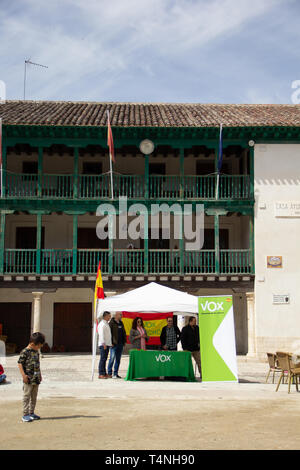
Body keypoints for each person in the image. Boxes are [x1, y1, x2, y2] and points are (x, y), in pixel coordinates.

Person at [17, 331, 45, 422]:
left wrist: (40, 374)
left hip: (36, 379)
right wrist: (23, 375)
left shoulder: (36, 352)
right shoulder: (25, 352)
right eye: (39, 345)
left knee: (34, 396)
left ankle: (31, 412)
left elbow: (37, 364)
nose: (39, 347)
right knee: (27, 396)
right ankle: (25, 414)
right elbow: (20, 363)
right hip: (28, 379)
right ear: (33, 344)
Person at [107, 312, 127, 379]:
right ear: (116, 315)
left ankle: (115, 373)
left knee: (118, 359)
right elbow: (109, 334)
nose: (121, 315)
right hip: (114, 344)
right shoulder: (111, 323)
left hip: (120, 344)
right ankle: (109, 373)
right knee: (112, 358)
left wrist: (124, 341)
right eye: (120, 314)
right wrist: (111, 342)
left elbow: (123, 332)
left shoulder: (121, 323)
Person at [97, 311, 112, 379]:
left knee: (105, 359)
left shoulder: (106, 323)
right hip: (104, 344)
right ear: (105, 316)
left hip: (107, 343)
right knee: (103, 359)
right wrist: (103, 343)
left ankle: (104, 372)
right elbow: (101, 334)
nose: (110, 317)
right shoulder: (102, 324)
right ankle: (101, 373)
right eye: (109, 316)